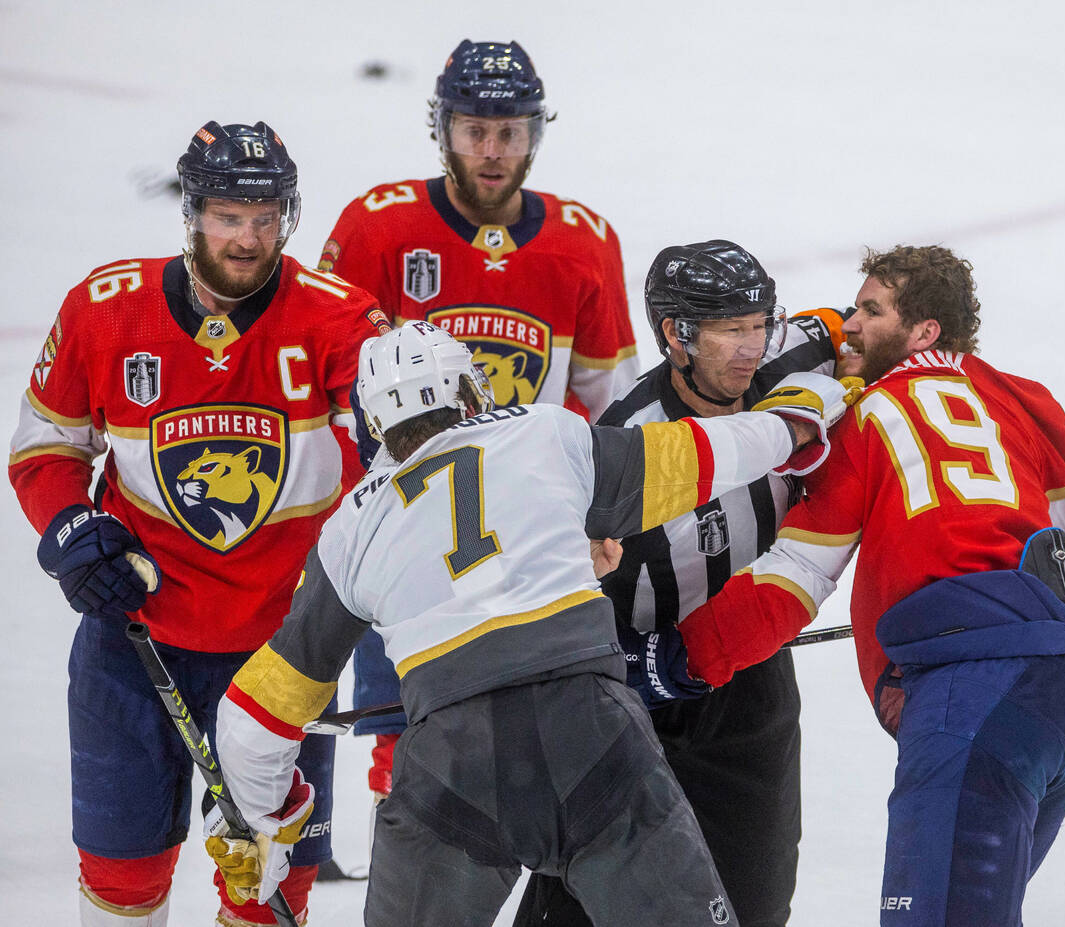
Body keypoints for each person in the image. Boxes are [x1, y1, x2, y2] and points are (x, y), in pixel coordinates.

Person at [204, 320, 853, 927]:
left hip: (451, 768)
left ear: (375, 422)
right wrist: (796, 420)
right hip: (592, 734)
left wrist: (263, 824)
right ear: (468, 387)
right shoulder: (544, 432)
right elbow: (705, 453)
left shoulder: (350, 528)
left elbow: (252, 718)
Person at [677, 245, 1065, 927]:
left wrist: (680, 658)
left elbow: (791, 580)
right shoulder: (1022, 398)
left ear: (924, 332)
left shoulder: (864, 417)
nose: (848, 326)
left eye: (870, 309)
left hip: (974, 701)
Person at [10, 120, 387, 927]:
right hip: (135, 641)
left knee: (267, 890)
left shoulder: (340, 321)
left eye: (264, 217)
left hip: (286, 656)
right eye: (226, 215)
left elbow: (392, 461)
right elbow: (47, 447)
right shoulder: (106, 309)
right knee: (121, 880)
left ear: (288, 216)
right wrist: (73, 529)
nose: (247, 238)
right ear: (191, 212)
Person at [317, 38, 639, 805]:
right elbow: (330, 393)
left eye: (511, 131)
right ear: (443, 129)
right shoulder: (378, 228)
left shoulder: (582, 242)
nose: (493, 151)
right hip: (406, 535)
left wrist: (602, 513)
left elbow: (610, 405)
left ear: (536, 133)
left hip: (531, 534)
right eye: (474, 130)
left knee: (539, 743)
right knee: (411, 752)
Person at [515, 239, 849, 927]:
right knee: (577, 906)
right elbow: (549, 590)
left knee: (751, 906)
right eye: (731, 330)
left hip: (752, 690)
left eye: (760, 323)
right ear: (676, 333)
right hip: (633, 703)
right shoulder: (623, 442)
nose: (752, 346)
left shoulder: (792, 353)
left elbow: (884, 321)